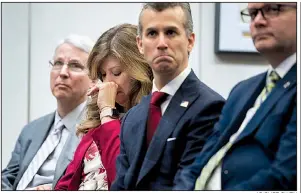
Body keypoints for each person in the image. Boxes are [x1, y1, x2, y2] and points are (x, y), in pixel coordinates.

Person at [174, 2, 297, 191]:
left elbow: (285, 175)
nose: (258, 21)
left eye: (273, 9)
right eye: (253, 13)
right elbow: (200, 162)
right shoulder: (242, 90)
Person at [111, 3, 225, 190]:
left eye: (171, 32)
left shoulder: (210, 107)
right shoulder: (132, 117)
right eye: (152, 34)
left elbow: (188, 184)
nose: (161, 43)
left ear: (190, 40)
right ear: (140, 44)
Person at [54, 23, 153, 190]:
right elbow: (65, 184)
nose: (108, 83)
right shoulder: (96, 123)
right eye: (102, 75)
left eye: (116, 73)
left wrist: (107, 113)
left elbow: (121, 181)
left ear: (140, 71)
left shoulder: (152, 119)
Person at [1, 34, 95, 190]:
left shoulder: (96, 129)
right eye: (58, 63)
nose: (63, 72)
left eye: (75, 65)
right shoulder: (32, 130)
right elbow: (8, 178)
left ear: (93, 78)